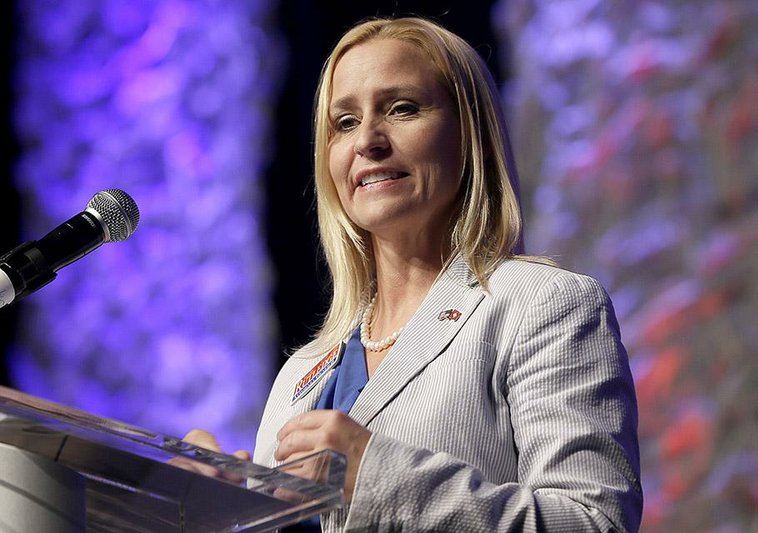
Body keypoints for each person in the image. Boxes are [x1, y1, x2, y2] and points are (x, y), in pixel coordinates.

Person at [187, 17, 642, 532]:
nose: (368, 141)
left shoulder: (542, 305)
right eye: (344, 123)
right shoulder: (302, 373)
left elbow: (593, 523)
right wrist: (215, 509)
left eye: (402, 109)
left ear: (469, 134)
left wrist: (379, 478)